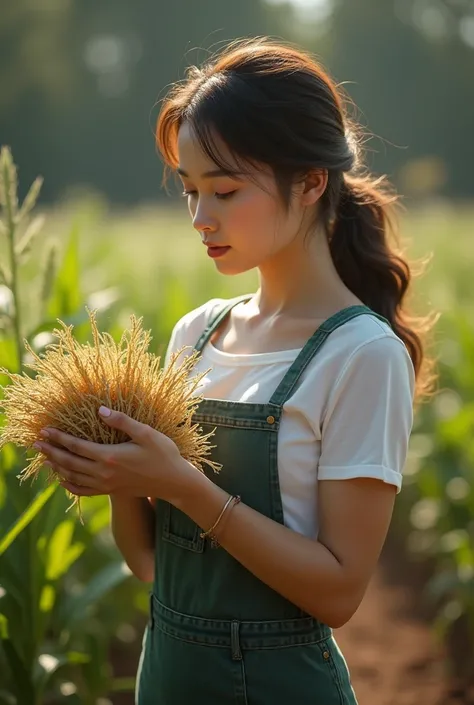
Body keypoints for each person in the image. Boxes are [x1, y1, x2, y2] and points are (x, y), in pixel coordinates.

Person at [36, 36, 436, 705]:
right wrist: (114, 473)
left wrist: (184, 484)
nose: (200, 216)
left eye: (223, 189)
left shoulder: (363, 355)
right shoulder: (198, 333)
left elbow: (338, 592)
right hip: (167, 676)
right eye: (190, 190)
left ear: (310, 182)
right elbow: (153, 565)